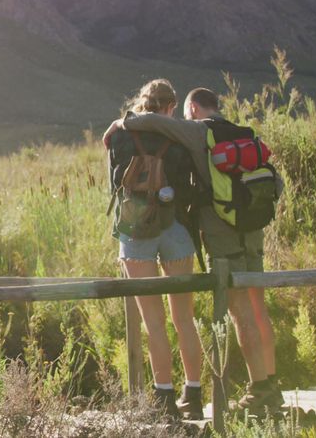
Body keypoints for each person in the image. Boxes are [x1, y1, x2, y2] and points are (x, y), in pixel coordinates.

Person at [102, 87, 284, 412]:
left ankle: (258, 391)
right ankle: (268, 385)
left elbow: (154, 121)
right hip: (253, 230)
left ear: (193, 109)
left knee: (239, 312)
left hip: (222, 234)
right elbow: (274, 183)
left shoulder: (199, 130)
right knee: (257, 307)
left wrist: (121, 122)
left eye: (186, 114)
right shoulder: (243, 134)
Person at [107, 79, 204, 421]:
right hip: (175, 227)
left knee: (154, 323)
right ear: (170, 106)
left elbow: (114, 185)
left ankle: (164, 399)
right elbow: (191, 184)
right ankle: (193, 393)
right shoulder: (178, 133)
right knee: (184, 320)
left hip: (135, 231)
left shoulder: (119, 133)